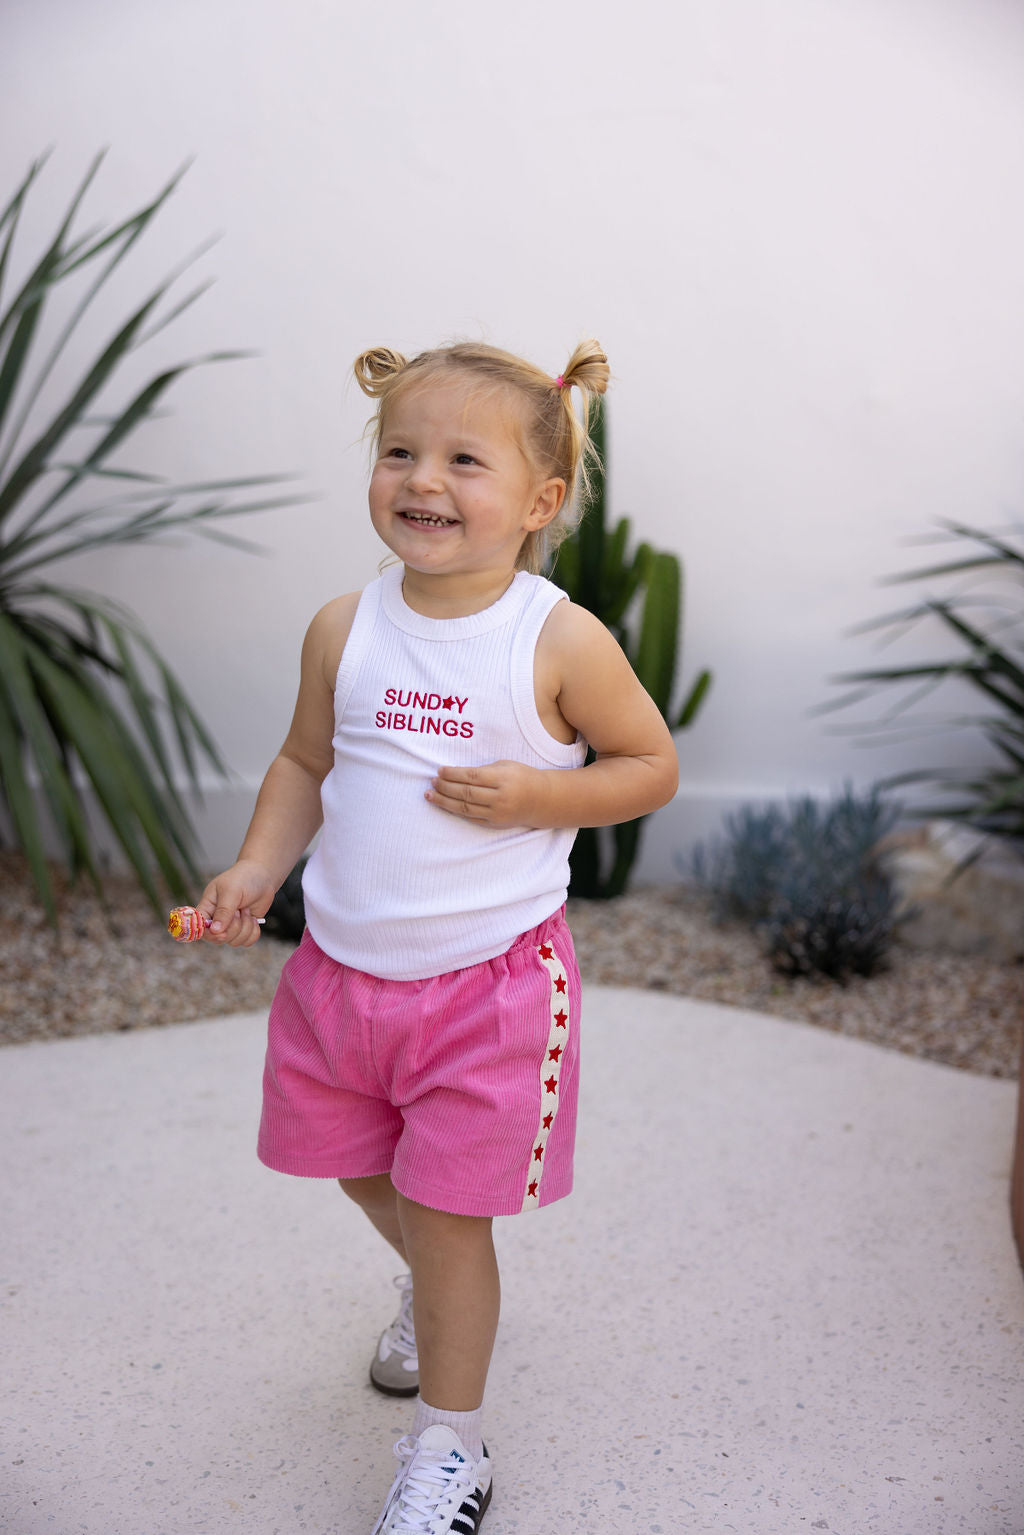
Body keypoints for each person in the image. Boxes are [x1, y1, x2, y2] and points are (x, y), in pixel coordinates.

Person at [196, 339, 679, 1533]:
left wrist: (539, 795)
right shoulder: (343, 627)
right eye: (400, 452)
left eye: (465, 459)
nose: (424, 478)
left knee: (453, 1211)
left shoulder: (553, 640)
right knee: (360, 1165)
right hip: (338, 978)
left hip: (490, 989)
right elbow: (308, 760)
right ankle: (426, 1279)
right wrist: (259, 866)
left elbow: (649, 764)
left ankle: (449, 1448)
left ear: (538, 501)